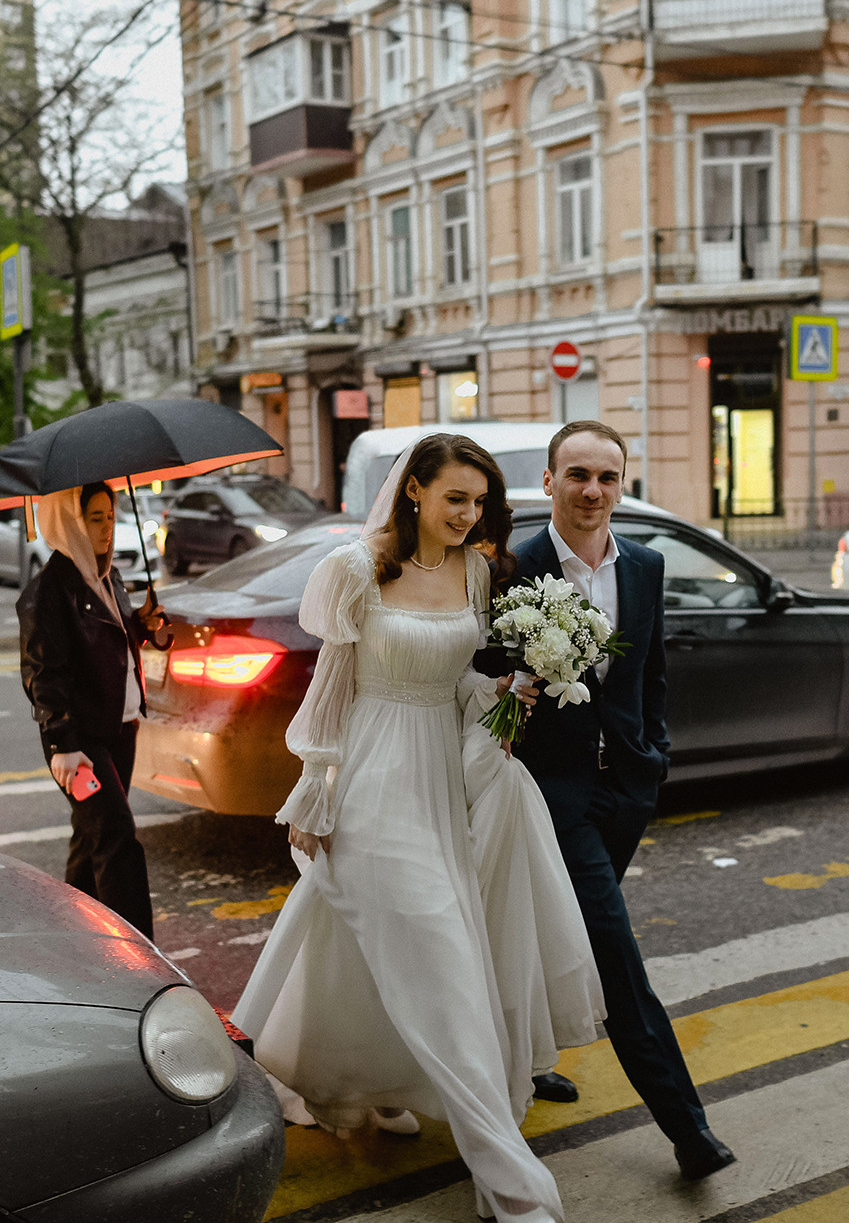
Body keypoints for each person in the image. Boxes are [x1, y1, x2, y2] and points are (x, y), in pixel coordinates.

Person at [233, 433, 605, 1223]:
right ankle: (510, 1181)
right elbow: (332, 687)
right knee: (441, 961)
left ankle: (368, 1079)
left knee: (399, 953)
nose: (470, 516)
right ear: (413, 492)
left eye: (480, 503)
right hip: (372, 781)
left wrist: (500, 690)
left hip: (444, 778)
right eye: (455, 500)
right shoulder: (356, 568)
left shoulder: (475, 568)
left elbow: (452, 679)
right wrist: (313, 788)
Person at [496, 420, 735, 1181]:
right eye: (577, 475)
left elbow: (651, 672)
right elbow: (477, 668)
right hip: (551, 799)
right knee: (617, 956)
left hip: (627, 789)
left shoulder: (648, 564)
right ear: (549, 481)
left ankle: (532, 1064)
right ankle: (688, 1128)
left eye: (607, 476)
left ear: (622, 483)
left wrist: (653, 758)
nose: (592, 490)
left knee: (550, 935)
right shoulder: (512, 565)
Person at [16, 482, 167, 940]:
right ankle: (143, 961)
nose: (107, 530)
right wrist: (61, 743)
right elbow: (45, 673)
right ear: (70, 522)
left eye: (109, 516)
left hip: (120, 728)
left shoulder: (107, 576)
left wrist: (144, 627)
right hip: (80, 742)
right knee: (117, 836)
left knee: (91, 841)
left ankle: (69, 939)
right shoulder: (49, 590)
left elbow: (106, 643)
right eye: (94, 519)